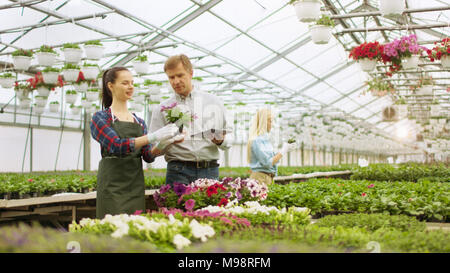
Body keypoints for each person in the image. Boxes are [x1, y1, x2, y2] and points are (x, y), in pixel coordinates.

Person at [90, 66, 183, 219]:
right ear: (111, 86)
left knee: (136, 227)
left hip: (135, 186)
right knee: (111, 228)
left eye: (132, 83)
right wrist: (153, 136)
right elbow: (116, 146)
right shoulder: (100, 118)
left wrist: (164, 143)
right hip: (112, 188)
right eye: (125, 83)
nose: (131, 86)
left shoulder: (138, 121)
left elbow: (147, 155)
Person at [149, 54, 231, 185]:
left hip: (209, 170)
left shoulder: (213, 102)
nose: (176, 81)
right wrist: (166, 141)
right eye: (171, 77)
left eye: (180, 75)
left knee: (210, 206)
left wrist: (221, 140)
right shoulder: (162, 109)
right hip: (178, 171)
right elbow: (153, 149)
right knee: (176, 206)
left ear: (191, 73)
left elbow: (229, 141)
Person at [247, 108, 295, 186]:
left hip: (267, 177)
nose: (272, 124)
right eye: (270, 121)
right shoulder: (257, 140)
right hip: (260, 178)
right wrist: (283, 151)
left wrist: (285, 149)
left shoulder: (265, 139)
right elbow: (267, 163)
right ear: (264, 122)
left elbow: (271, 159)